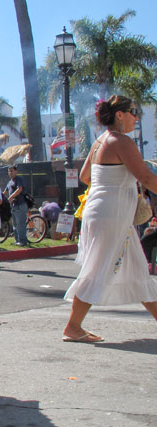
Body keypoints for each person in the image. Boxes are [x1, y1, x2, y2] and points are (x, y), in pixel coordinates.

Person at [63, 95, 157, 342]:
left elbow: (85, 176)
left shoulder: (99, 142)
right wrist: (120, 187)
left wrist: (113, 184)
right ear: (120, 114)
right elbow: (146, 178)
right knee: (98, 267)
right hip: (111, 214)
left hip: (104, 211)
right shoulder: (121, 141)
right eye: (134, 112)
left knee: (137, 270)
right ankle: (73, 327)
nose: (136, 118)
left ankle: (74, 326)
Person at [5, 165, 28, 246]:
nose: (10, 172)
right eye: (9, 171)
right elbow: (4, 192)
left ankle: (22, 241)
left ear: (16, 171)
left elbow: (19, 189)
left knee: (20, 224)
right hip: (13, 206)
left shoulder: (19, 179)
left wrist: (10, 197)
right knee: (15, 224)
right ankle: (17, 240)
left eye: (12, 170)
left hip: (20, 204)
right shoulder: (9, 182)